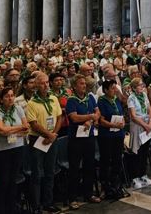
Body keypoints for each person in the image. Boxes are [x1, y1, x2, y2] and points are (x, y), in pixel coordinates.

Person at [24, 71, 61, 213]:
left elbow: (59, 117)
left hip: (52, 137)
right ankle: (36, 206)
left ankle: (48, 202)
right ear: (36, 86)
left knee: (50, 171)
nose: (45, 85)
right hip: (37, 139)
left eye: (47, 82)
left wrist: (53, 135)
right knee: (37, 173)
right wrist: (48, 134)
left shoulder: (53, 98)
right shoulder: (32, 103)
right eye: (42, 83)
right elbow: (33, 124)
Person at [65, 73, 100, 208]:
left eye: (84, 83)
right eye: (81, 83)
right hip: (75, 139)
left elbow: (97, 113)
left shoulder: (90, 97)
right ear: (74, 86)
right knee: (74, 168)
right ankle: (72, 198)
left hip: (88, 136)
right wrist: (89, 117)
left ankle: (88, 193)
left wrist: (90, 119)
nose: (84, 85)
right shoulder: (71, 100)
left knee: (89, 166)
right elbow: (74, 117)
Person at [0, 87, 28, 214]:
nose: (10, 98)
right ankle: (1, 208)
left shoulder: (18, 109)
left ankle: (12, 207)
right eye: (7, 96)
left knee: (13, 179)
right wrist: (19, 128)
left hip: (17, 147)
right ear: (1, 99)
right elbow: (1, 130)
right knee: (4, 180)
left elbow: (26, 128)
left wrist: (11, 130)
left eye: (12, 95)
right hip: (2, 150)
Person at [97, 80, 127, 200]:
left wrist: (123, 121)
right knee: (106, 161)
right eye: (112, 88)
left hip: (118, 135)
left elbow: (121, 114)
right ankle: (106, 187)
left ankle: (116, 185)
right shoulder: (101, 101)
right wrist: (114, 125)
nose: (115, 90)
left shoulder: (116, 100)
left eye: (115, 88)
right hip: (106, 136)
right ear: (105, 90)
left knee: (117, 160)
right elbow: (101, 120)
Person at [127, 77, 151, 188]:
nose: (142, 86)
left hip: (147, 126)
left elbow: (149, 109)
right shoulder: (131, 98)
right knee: (137, 151)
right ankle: (135, 177)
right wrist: (145, 125)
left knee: (144, 151)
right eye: (139, 85)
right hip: (137, 126)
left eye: (142, 84)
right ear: (133, 87)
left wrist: (150, 123)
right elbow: (133, 116)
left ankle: (143, 174)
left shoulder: (144, 95)